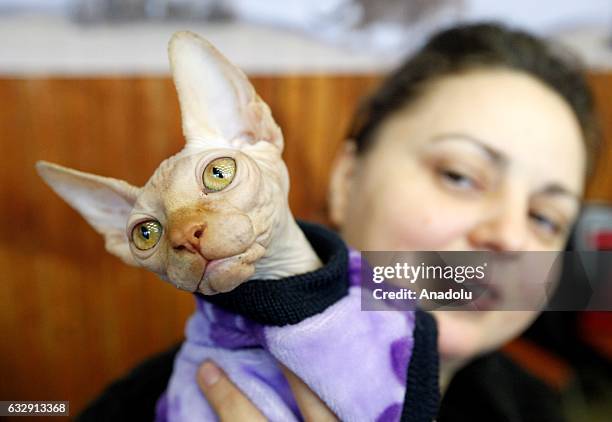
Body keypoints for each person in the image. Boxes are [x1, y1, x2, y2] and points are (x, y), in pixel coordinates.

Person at [77, 22, 600, 421]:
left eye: (544, 218)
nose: (510, 238)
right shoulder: (153, 402)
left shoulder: (542, 404)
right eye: (460, 175)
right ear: (347, 180)